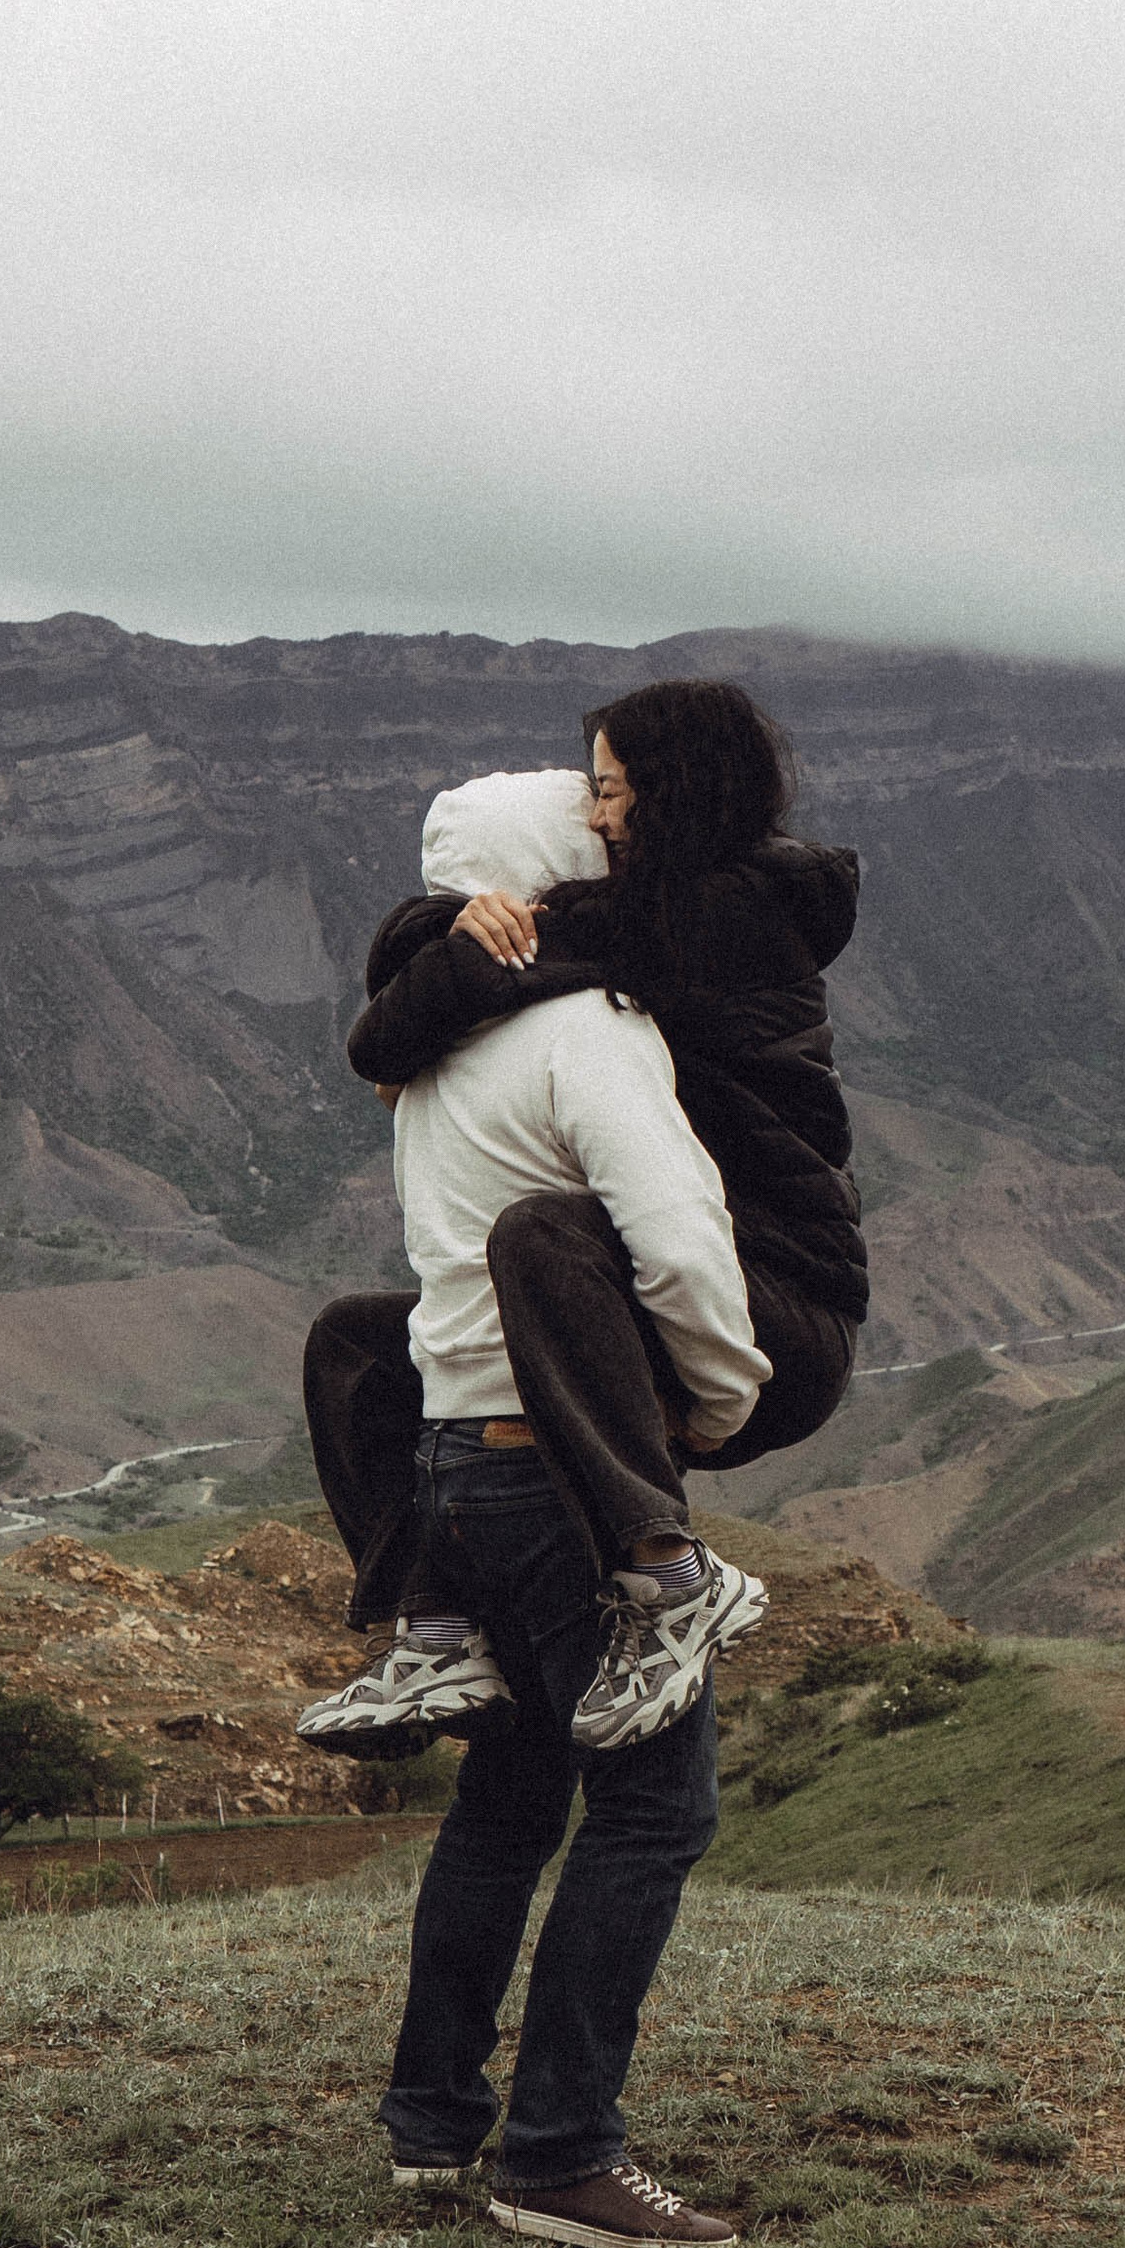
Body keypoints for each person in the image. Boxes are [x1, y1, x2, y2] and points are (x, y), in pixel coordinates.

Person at [311, 767, 771, 2248]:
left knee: (508, 1801)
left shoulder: (436, 1052)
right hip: (556, 1471)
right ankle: (561, 2155)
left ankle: (432, 2125)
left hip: (453, 1466)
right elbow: (679, 1240)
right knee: (655, 1802)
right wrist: (719, 1398)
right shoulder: (587, 1031)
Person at [303, 677, 865, 1752]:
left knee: (539, 1234)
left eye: (612, 793)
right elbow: (425, 984)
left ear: (674, 791)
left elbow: (388, 1029)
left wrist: (459, 940)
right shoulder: (647, 911)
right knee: (355, 1345)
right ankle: (431, 1626)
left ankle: (672, 1577)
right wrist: (453, 937)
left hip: (771, 1307)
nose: (597, 817)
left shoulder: (716, 915)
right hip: (664, 1289)